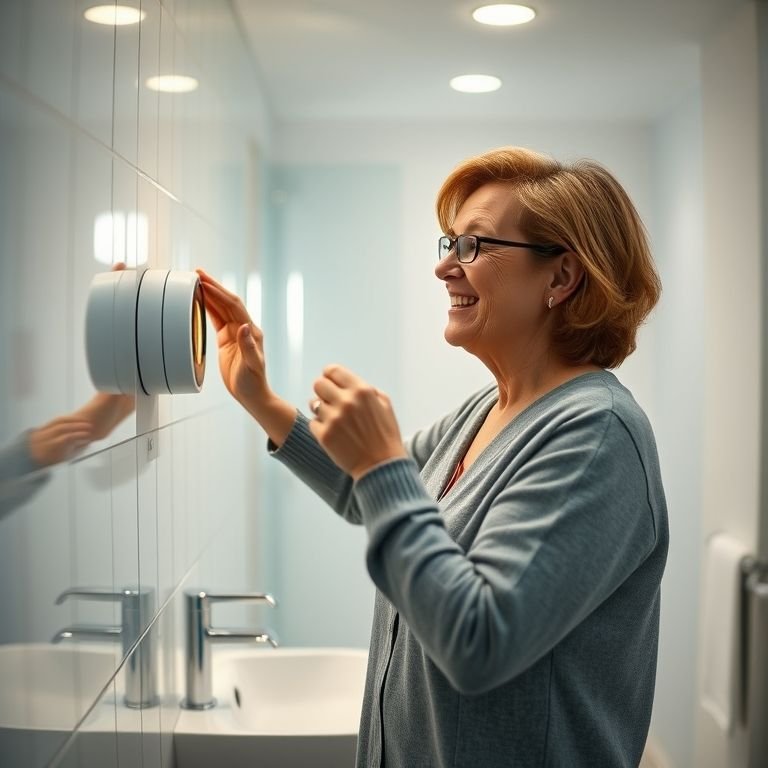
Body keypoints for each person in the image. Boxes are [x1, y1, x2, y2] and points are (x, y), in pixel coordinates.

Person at [197, 145, 668, 768]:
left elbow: (480, 641)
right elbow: (360, 489)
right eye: (447, 242)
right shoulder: (488, 409)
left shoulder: (595, 436)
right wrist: (259, 399)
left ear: (561, 277)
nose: (445, 266)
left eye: (474, 245)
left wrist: (383, 466)